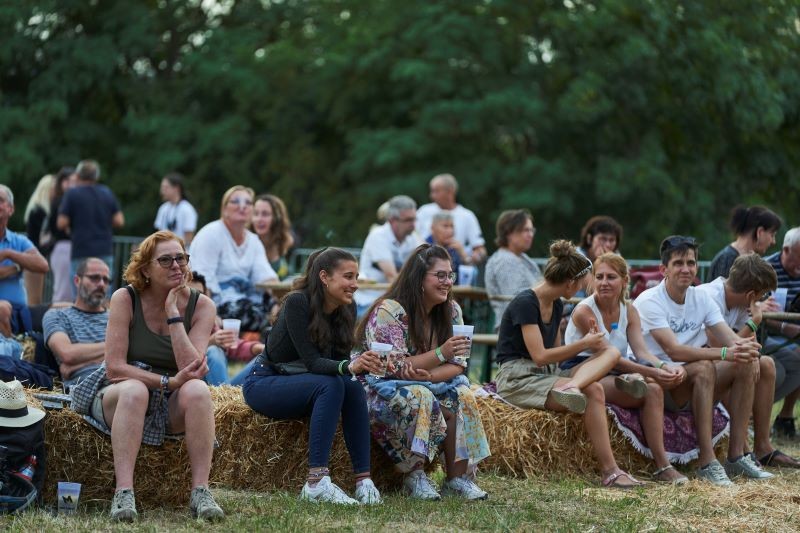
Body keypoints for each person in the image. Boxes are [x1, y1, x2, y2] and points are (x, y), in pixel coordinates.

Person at [91, 230, 223, 521]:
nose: (176, 265)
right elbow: (114, 368)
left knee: (199, 390)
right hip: (121, 394)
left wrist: (173, 313)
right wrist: (167, 381)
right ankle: (123, 493)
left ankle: (201, 490)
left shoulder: (202, 306)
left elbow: (193, 368)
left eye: (181, 258)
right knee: (134, 389)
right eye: (165, 260)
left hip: (171, 399)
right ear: (146, 269)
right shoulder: (125, 298)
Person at [494, 240, 643, 488]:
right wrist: (584, 343)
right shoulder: (526, 302)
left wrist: (596, 349)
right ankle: (610, 470)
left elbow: (556, 354)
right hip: (517, 378)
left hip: (545, 375)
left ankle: (610, 469)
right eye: (583, 283)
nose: (584, 289)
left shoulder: (556, 304)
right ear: (570, 282)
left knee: (608, 361)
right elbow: (541, 355)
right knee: (596, 383)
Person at [243, 248, 383, 504]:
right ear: (324, 277)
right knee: (332, 384)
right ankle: (316, 481)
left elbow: (338, 365)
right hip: (264, 382)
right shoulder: (298, 302)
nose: (354, 284)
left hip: (306, 383)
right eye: (348, 276)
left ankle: (364, 480)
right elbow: (313, 362)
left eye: (356, 277)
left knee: (351, 387)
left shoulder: (346, 308)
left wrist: (360, 365)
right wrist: (350, 366)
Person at [354, 243, 491, 501]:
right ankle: (414, 476)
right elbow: (391, 367)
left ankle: (457, 479)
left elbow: (458, 364)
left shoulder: (452, 311)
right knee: (420, 396)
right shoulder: (390, 311)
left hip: (425, 382)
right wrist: (440, 354)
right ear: (419, 278)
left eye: (450, 275)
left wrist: (428, 374)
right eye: (440, 275)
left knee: (464, 395)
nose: (447, 281)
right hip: (376, 389)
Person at [633, 235, 770, 486]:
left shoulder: (701, 298)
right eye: (678, 263)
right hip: (659, 380)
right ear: (664, 269)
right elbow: (674, 351)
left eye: (691, 262)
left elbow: (730, 340)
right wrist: (727, 353)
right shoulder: (649, 300)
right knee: (706, 367)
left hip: (688, 379)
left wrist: (747, 348)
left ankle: (737, 457)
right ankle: (707, 462)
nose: (686, 269)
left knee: (751, 361)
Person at [561, 252, 689, 483]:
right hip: (581, 368)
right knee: (629, 369)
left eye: (611, 277)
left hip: (613, 369)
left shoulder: (629, 310)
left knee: (654, 390)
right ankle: (632, 380)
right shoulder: (584, 311)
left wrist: (664, 366)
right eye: (598, 277)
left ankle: (663, 466)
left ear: (624, 281)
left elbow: (642, 352)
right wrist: (653, 372)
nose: (603, 282)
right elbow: (611, 356)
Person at [697, 254, 800, 467]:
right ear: (751, 294)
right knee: (744, 362)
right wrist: (754, 322)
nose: (760, 301)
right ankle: (739, 450)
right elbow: (721, 348)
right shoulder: (709, 296)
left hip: (719, 364)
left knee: (767, 364)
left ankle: (763, 447)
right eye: (761, 296)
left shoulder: (740, 302)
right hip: (699, 368)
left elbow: (749, 346)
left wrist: (750, 336)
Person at [190, 185, 278, 332]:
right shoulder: (211, 234)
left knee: (284, 307)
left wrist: (283, 300)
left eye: (248, 203)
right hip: (217, 303)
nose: (242, 206)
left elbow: (266, 279)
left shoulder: (253, 241)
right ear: (224, 209)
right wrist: (209, 316)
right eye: (235, 201)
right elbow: (202, 282)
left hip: (246, 302)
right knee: (252, 313)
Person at [43, 258, 112, 390]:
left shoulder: (116, 317)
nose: (101, 284)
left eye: (106, 280)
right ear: (77, 280)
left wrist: (77, 364)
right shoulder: (57, 315)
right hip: (87, 389)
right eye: (94, 278)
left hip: (121, 378)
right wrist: (118, 348)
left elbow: (134, 354)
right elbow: (67, 354)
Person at [57, 159, 124, 288]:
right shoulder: (106, 192)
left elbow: (61, 222)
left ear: (78, 175)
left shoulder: (72, 194)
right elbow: (119, 221)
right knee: (104, 289)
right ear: (96, 176)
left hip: (81, 249)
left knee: (80, 291)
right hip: (104, 249)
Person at [355, 195, 422, 315]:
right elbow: (392, 276)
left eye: (414, 219)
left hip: (392, 301)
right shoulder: (378, 236)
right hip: (370, 301)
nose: (413, 225)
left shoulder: (412, 238)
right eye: (408, 220)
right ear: (392, 220)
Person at [764, 226, 800, 438]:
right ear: (786, 250)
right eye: (798, 257)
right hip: (770, 331)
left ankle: (785, 415)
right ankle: (756, 412)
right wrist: (788, 327)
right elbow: (759, 314)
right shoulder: (767, 268)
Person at [0, 185, 49, 337]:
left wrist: (9, 254)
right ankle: (12, 348)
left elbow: (42, 265)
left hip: (21, 311)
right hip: (4, 310)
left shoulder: (18, 241)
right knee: (3, 309)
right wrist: (19, 267)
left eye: (0, 200)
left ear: (11, 209)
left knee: (63, 308)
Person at [485, 209, 543, 330]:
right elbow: (519, 302)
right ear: (509, 233)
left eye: (532, 230)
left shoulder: (523, 257)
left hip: (532, 323)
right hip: (515, 329)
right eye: (525, 230)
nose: (530, 234)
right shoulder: (504, 261)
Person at [415, 174, 486, 264]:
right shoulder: (424, 211)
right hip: (424, 263)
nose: (432, 196)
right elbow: (412, 236)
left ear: (450, 191)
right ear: (433, 228)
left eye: (436, 191)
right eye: (445, 226)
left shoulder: (467, 216)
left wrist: (471, 258)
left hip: (454, 265)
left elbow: (480, 249)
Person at [708, 205, 781, 280]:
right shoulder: (727, 260)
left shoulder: (734, 258)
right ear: (760, 232)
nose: (773, 242)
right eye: (772, 235)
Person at [23, 174, 55, 306]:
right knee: (33, 300)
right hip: (34, 258)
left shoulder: (38, 210)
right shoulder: (38, 211)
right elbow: (39, 240)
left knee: (35, 298)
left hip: (35, 257)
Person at [48, 167, 76, 303]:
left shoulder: (67, 200)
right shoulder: (61, 201)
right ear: (62, 182)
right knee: (63, 293)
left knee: (70, 292)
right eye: (69, 181)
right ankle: (56, 323)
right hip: (64, 247)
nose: (72, 184)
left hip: (69, 247)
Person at [251, 194, 295, 280]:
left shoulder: (285, 241)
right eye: (256, 214)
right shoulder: (245, 241)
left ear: (277, 218)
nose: (259, 219)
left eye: (265, 214)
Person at [153, 173, 198, 246]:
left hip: (181, 253)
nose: (162, 191)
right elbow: (159, 235)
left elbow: (188, 238)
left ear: (176, 188)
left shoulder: (187, 209)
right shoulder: (163, 208)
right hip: (165, 253)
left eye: (166, 187)